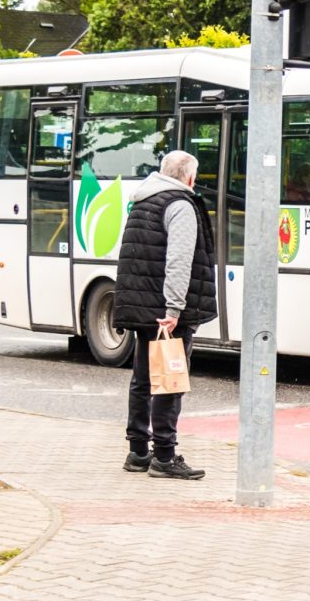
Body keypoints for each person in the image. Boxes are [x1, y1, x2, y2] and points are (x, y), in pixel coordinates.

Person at [113, 150, 217, 480]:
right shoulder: (181, 205)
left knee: (143, 379)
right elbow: (178, 261)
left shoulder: (144, 200)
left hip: (143, 306)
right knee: (169, 382)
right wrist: (174, 309)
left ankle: (138, 452)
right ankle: (165, 456)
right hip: (166, 313)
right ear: (188, 176)